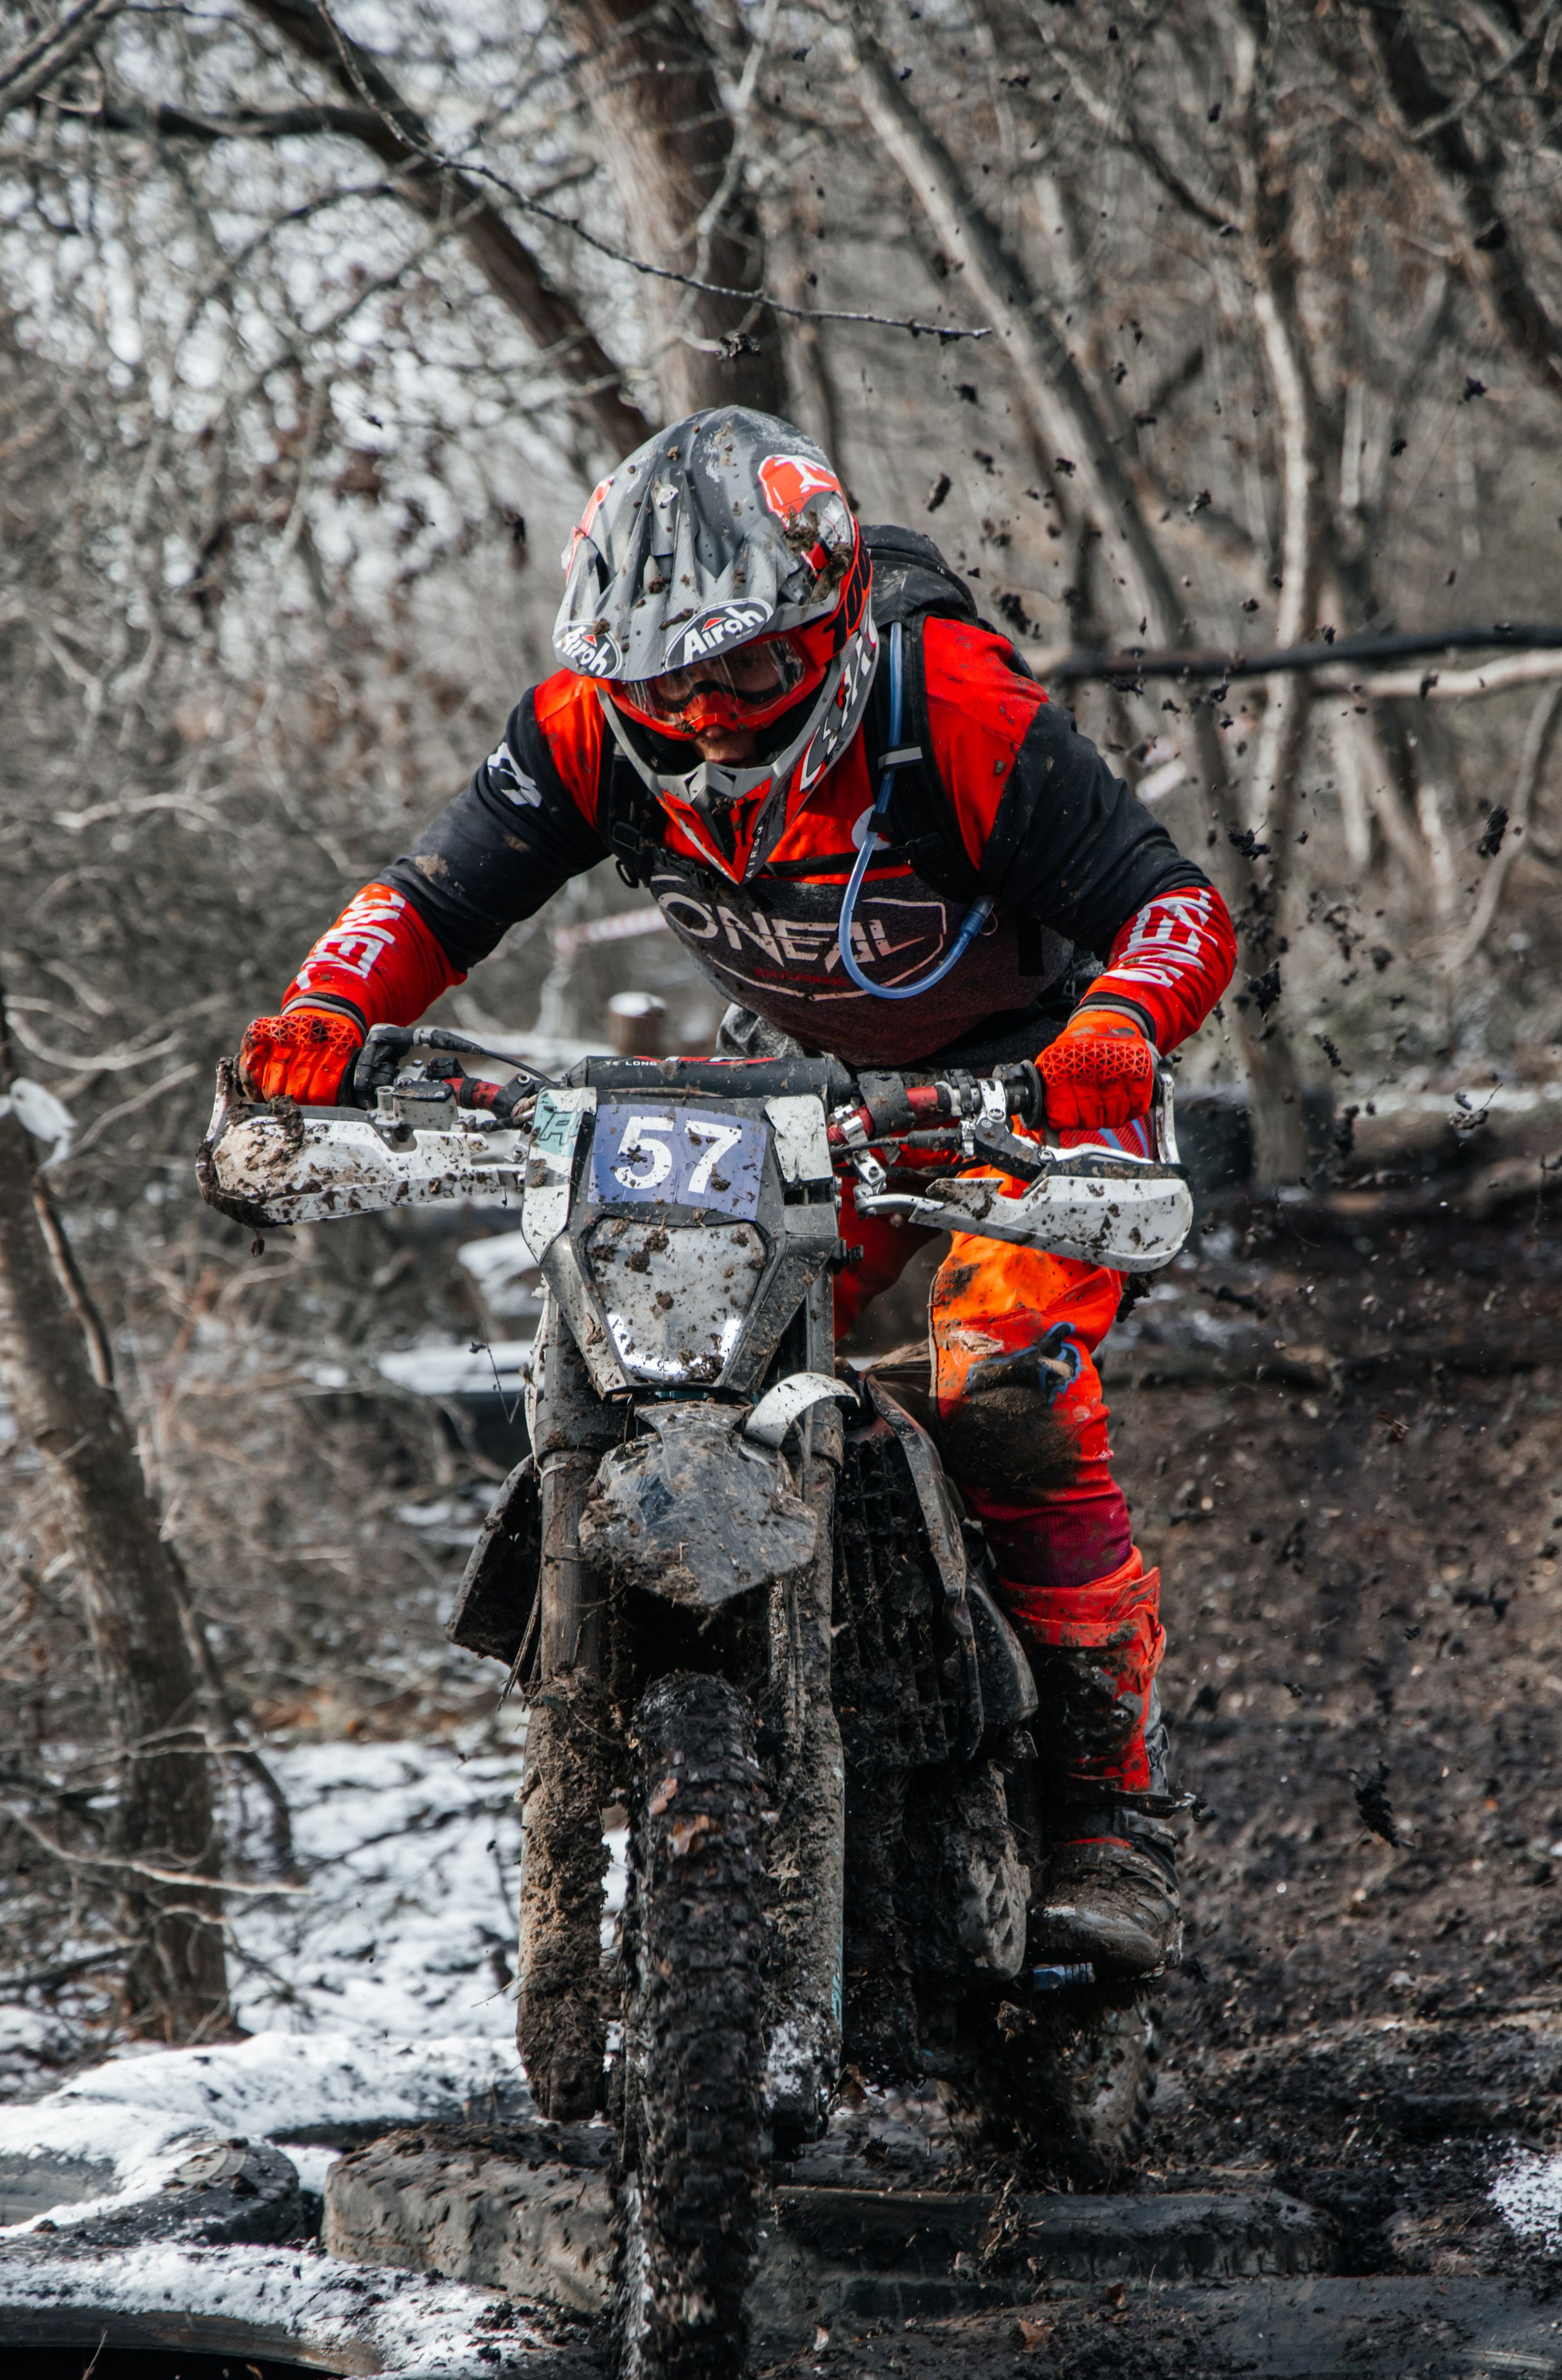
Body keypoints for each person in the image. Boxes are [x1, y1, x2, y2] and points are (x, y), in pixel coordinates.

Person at [235, 407, 1236, 1977]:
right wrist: (326, 1008)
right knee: (676, 1358)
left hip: (1026, 1089)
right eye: (664, 685)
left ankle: (1112, 1816)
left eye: (748, 673)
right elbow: (429, 899)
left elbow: (1171, 908)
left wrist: (1115, 1029)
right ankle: (724, 1711)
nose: (704, 718)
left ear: (828, 620)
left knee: (997, 1393)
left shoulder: (944, 701)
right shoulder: (582, 724)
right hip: (789, 1093)